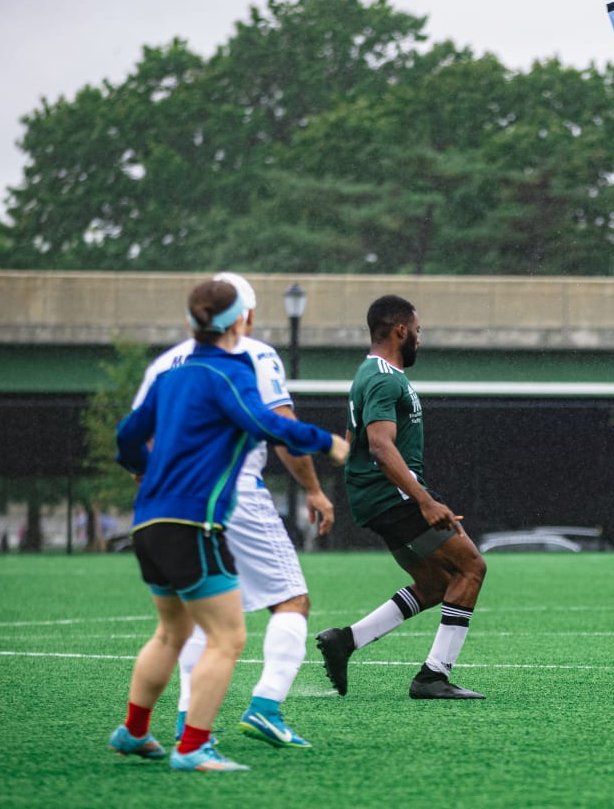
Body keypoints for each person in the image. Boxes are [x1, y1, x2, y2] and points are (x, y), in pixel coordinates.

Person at [111, 279, 349, 773]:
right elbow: (268, 422)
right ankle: (201, 741)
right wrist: (329, 444)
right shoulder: (239, 364)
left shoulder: (166, 372)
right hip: (202, 513)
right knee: (236, 633)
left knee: (173, 631)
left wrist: (145, 470)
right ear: (244, 319)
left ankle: (135, 731)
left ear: (191, 320)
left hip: (149, 516)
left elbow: (128, 436)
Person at [315, 294, 488, 700]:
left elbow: (352, 441)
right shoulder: (382, 377)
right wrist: (424, 501)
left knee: (434, 582)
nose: (419, 339)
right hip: (394, 497)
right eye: (418, 331)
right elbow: (378, 445)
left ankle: (346, 640)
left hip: (380, 498)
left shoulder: (369, 374)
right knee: (471, 569)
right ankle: (433, 677)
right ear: (400, 330)